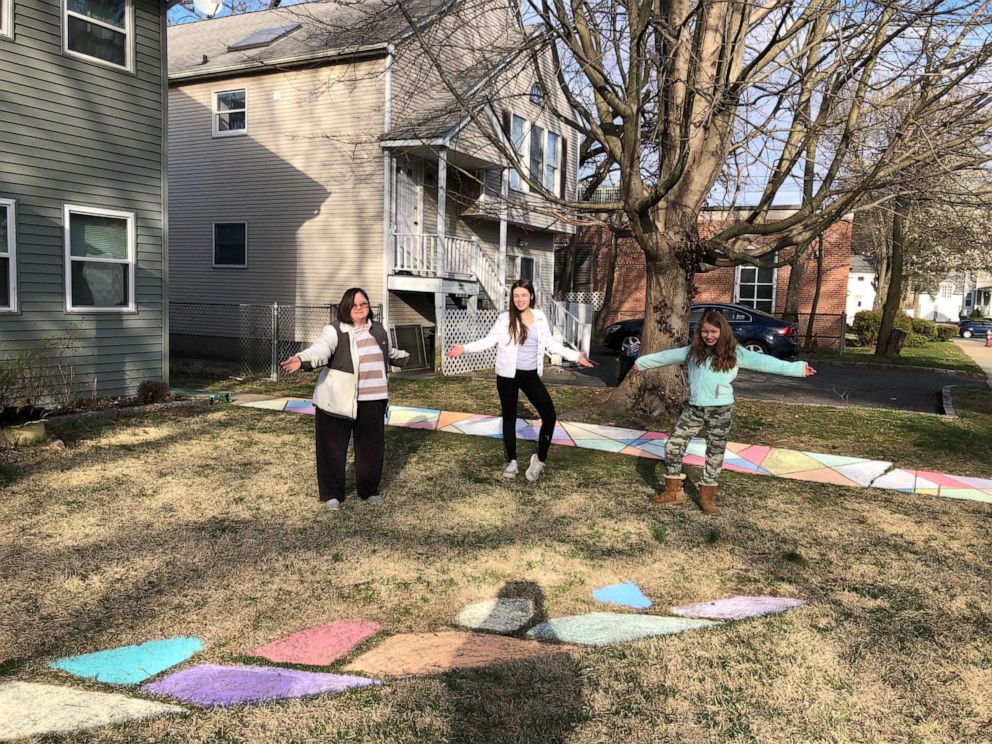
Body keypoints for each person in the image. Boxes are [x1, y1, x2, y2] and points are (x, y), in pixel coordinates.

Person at [634, 310, 816, 516]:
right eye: (704, 331)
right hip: (694, 409)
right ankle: (673, 492)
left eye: (713, 331)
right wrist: (641, 363)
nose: (709, 336)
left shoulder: (735, 353)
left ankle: (707, 498)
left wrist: (798, 369)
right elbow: (666, 356)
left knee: (714, 453)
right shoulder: (693, 351)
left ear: (722, 331)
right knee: (673, 445)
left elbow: (765, 363)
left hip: (721, 410)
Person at [446, 279, 593, 482]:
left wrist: (575, 356)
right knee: (509, 417)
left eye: (524, 295)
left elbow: (550, 344)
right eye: (516, 295)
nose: (520, 299)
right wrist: (464, 348)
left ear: (531, 296)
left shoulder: (540, 318)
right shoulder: (505, 319)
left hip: (530, 375)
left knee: (549, 415)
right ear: (512, 298)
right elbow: (489, 341)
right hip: (507, 376)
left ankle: (539, 460)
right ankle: (512, 461)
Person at [280, 288, 409, 510]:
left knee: (371, 449)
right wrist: (302, 359)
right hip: (337, 401)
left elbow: (386, 353)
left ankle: (368, 491)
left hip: (373, 401)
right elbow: (321, 349)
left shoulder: (379, 330)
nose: (360, 308)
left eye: (364, 304)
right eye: (355, 305)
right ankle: (332, 494)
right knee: (332, 449)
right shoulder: (334, 330)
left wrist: (405, 357)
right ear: (346, 307)